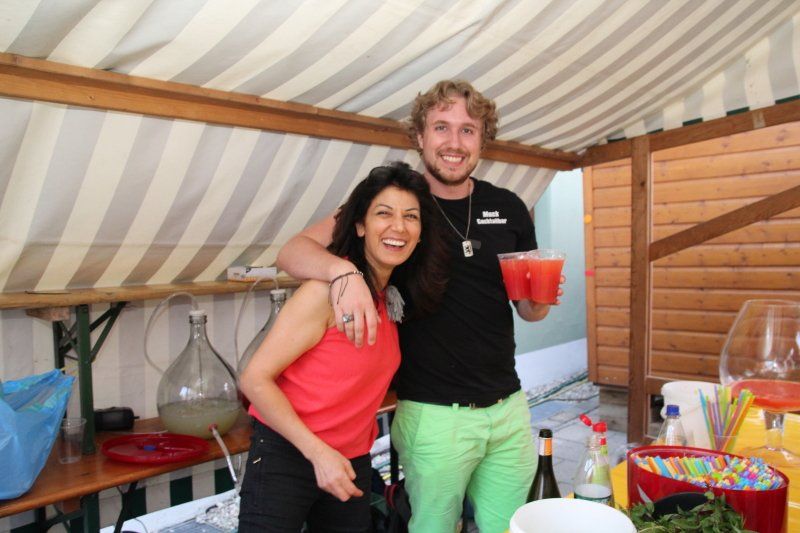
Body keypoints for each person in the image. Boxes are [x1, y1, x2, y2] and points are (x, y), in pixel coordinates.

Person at [276, 80, 563, 533]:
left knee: (513, 526)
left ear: (483, 140)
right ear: (419, 136)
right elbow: (292, 252)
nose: (454, 142)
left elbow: (527, 310)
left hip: (507, 406)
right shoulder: (397, 207)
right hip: (433, 414)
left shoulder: (508, 207)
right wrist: (343, 272)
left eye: (468, 130)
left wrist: (540, 301)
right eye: (441, 127)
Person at [238, 162, 448, 532]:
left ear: (420, 234)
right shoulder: (325, 292)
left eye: (411, 217)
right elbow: (254, 380)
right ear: (360, 225)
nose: (398, 226)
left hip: (350, 460)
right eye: (384, 213)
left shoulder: (391, 297)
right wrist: (318, 453)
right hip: (288, 455)